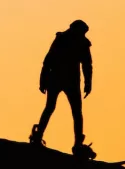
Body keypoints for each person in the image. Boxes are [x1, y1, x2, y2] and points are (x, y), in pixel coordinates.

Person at [29, 19, 95, 159]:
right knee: (56, 108)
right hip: (60, 78)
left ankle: (76, 144)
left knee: (72, 112)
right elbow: (49, 60)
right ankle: (39, 136)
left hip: (66, 80)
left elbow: (86, 64)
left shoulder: (78, 42)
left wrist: (88, 83)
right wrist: (43, 79)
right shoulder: (64, 39)